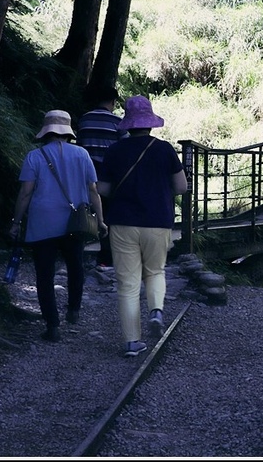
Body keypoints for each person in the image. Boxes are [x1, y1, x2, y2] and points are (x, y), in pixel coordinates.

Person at [98, 95, 187, 357]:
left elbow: (103, 188)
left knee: (127, 283)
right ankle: (156, 311)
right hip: (157, 221)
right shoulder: (164, 149)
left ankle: (131, 343)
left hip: (122, 222)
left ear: (127, 122)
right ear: (150, 122)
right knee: (156, 271)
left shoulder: (115, 151)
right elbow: (181, 187)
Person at [9, 110, 107, 342]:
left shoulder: (34, 156)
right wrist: (101, 220)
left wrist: (15, 222)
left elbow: (25, 193)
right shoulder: (82, 155)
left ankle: (52, 325)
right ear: (68, 131)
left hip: (42, 223)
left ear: (46, 131)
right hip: (75, 223)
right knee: (75, 266)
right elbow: (93, 190)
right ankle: (73, 309)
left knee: (44, 274)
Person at [76, 85, 127, 271]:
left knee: (85, 212)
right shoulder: (117, 122)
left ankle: (77, 253)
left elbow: (80, 146)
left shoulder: (85, 119)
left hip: (86, 174)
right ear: (113, 102)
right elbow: (125, 148)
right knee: (108, 216)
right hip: (108, 175)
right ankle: (105, 257)